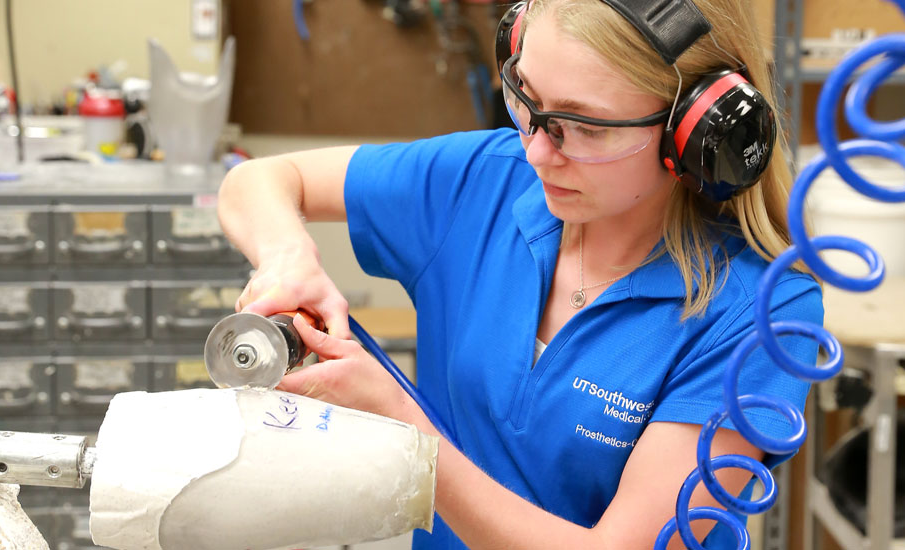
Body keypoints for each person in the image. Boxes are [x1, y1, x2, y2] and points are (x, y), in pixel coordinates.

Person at [217, 0, 823, 547]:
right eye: (526, 99)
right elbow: (258, 181)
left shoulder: (759, 314)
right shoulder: (485, 180)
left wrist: (405, 429)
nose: (536, 150)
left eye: (581, 127)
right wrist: (287, 259)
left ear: (696, 137)